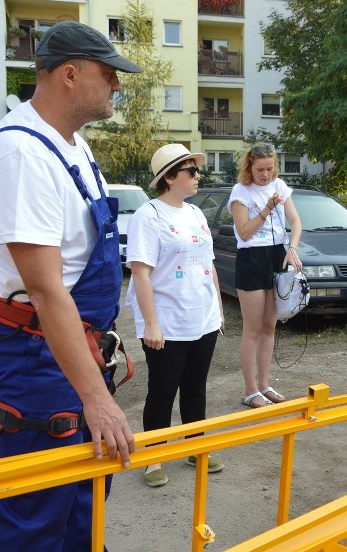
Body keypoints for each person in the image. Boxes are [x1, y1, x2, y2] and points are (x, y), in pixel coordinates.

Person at [0, 21, 142, 550]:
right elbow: (45, 291)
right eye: (109, 75)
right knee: (37, 513)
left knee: (84, 500)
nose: (117, 86)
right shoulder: (22, 156)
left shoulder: (71, 146)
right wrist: (97, 397)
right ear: (70, 73)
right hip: (37, 354)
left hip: (75, 348)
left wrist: (95, 376)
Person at [125, 144, 226, 488]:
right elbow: (140, 273)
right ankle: (153, 458)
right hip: (166, 322)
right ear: (169, 177)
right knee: (162, 391)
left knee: (195, 389)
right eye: (192, 171)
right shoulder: (148, 216)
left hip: (203, 318)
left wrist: (219, 310)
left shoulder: (196, 214)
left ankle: (196, 447)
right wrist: (150, 323)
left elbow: (208, 264)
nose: (199, 176)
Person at [227, 143, 303, 408]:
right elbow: (245, 232)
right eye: (260, 170)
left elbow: (296, 223)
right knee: (253, 327)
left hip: (276, 254)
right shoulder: (241, 191)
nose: (266, 175)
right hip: (252, 258)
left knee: (270, 326)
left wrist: (292, 249)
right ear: (250, 167)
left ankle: (264, 384)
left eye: (270, 168)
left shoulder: (280, 186)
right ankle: (250, 389)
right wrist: (268, 209)